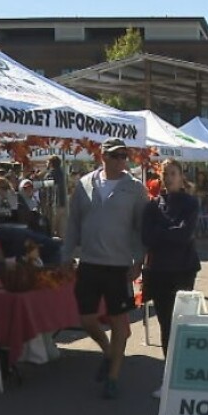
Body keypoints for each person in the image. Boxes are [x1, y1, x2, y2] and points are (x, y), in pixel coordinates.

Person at [62, 138, 148, 400]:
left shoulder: (135, 188)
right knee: (86, 319)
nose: (122, 160)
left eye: (125, 156)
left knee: (119, 321)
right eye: (117, 155)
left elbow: (141, 228)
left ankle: (113, 377)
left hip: (120, 266)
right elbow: (73, 222)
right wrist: (66, 255)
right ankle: (109, 351)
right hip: (89, 262)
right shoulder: (85, 184)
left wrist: (139, 261)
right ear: (104, 156)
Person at [142, 159, 200, 398]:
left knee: (182, 322)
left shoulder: (189, 203)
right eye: (165, 173)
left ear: (181, 176)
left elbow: (184, 234)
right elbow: (146, 237)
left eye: (173, 173)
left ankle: (186, 374)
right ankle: (168, 377)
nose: (169, 177)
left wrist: (162, 234)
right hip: (159, 271)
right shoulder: (153, 206)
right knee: (166, 323)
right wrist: (168, 233)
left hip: (183, 269)